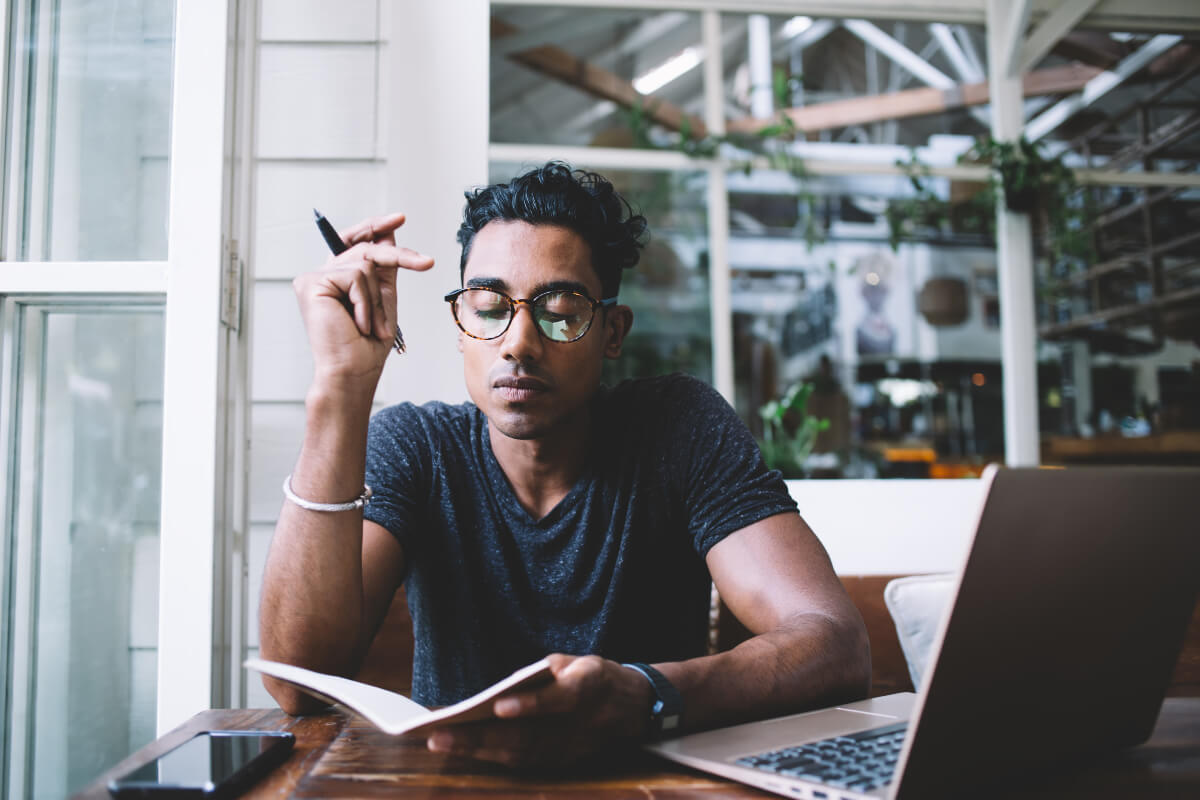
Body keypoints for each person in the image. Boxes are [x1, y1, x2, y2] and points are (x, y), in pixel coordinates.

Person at [259, 163, 870, 767]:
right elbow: (297, 684)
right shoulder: (419, 448)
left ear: (612, 331)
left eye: (561, 308)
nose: (519, 341)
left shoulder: (678, 428)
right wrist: (340, 385)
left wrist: (643, 694)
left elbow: (834, 644)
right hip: (456, 787)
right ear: (460, 325)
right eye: (489, 304)